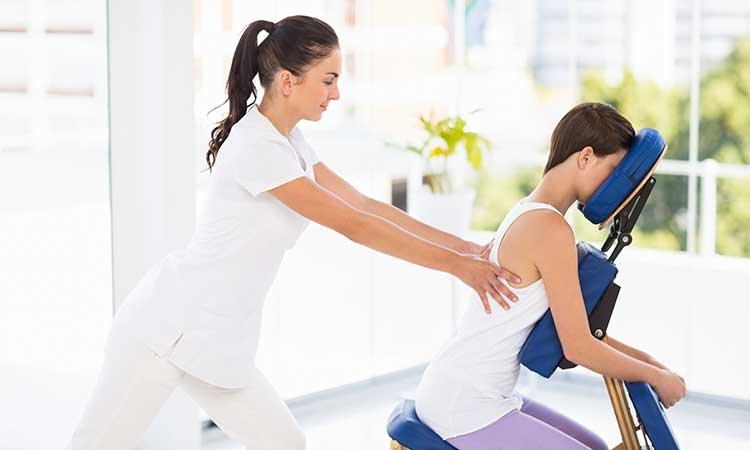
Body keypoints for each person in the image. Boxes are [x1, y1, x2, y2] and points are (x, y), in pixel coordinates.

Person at [67, 15, 522, 450]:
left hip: (216, 340)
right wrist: (457, 268)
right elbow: (354, 225)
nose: (337, 93)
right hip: (165, 331)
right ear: (288, 81)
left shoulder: (289, 143)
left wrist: (463, 246)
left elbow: (363, 205)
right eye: (328, 80)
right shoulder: (256, 147)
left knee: (281, 441)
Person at [414, 102, 687, 450]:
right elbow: (578, 346)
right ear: (585, 157)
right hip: (464, 407)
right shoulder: (550, 228)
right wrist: (653, 375)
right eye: (614, 168)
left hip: (476, 392)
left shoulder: (534, 212)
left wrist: (653, 367)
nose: (617, 185)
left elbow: (583, 332)